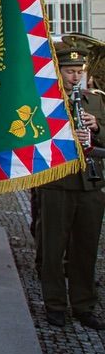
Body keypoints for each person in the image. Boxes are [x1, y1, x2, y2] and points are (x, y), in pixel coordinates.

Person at [39, 42, 104, 330]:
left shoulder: (95, 102)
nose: (75, 77)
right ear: (58, 71)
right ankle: (54, 305)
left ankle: (83, 304)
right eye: (69, 71)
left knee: (86, 248)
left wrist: (97, 127)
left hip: (90, 184)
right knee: (53, 247)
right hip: (58, 183)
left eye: (79, 71)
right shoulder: (47, 100)